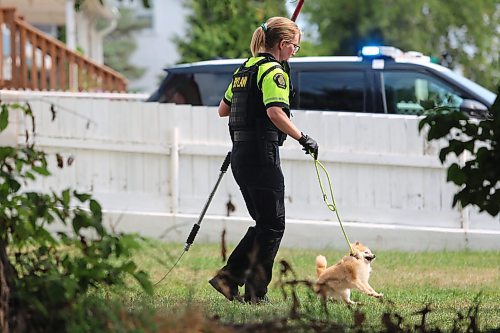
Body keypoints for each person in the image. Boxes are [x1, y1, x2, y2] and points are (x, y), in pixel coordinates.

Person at [209, 16, 319, 304]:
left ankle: (228, 279)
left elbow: (223, 109)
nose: (295, 51)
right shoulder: (273, 73)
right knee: (273, 224)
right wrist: (302, 137)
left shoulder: (245, 69)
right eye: (294, 46)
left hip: (241, 156)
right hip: (261, 154)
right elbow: (275, 112)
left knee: (265, 222)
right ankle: (255, 292)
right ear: (283, 44)